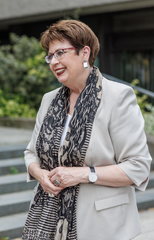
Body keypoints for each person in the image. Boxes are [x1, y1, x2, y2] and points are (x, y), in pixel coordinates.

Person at [22, 20, 152, 240]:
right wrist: (40, 174)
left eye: (60, 53)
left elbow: (138, 167)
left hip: (102, 227)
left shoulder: (118, 96)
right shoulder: (49, 100)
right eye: (50, 56)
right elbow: (31, 153)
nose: (54, 61)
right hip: (49, 223)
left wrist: (82, 174)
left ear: (85, 53)